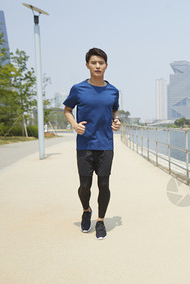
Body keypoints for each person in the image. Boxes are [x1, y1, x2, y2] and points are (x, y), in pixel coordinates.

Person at [63, 47, 120, 240]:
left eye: (101, 63)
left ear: (106, 66)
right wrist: (74, 125)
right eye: (94, 62)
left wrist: (116, 121)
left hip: (105, 145)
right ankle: (86, 210)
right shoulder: (78, 89)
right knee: (84, 186)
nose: (97, 66)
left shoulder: (113, 91)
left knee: (104, 184)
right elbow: (67, 110)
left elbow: (114, 112)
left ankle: (101, 220)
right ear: (87, 65)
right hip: (85, 145)